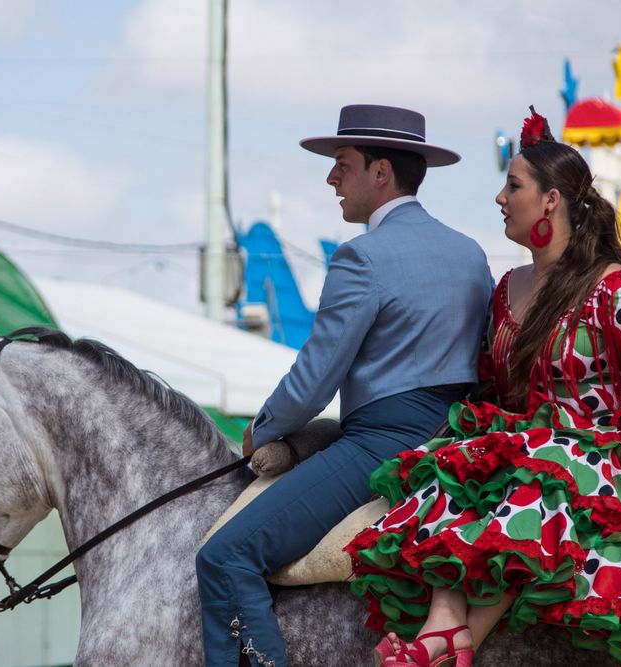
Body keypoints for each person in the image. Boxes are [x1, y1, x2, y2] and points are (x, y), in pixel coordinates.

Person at [346, 108, 621, 667]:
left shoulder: (616, 292)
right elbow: (492, 396)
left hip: (602, 476)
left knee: (545, 463)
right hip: (527, 455)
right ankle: (445, 625)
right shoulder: (504, 292)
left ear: (551, 200)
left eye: (512, 185)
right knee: (460, 453)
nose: (499, 198)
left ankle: (449, 641)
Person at [196, 104, 493, 666]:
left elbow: (314, 381)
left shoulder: (363, 257)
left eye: (343, 164)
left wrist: (263, 431)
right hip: (459, 439)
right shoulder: (470, 253)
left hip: (383, 442)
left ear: (381, 172)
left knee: (226, 556)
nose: (332, 177)